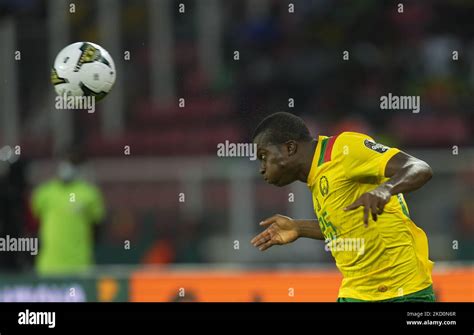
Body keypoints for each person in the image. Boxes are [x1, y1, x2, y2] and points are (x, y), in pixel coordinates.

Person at [250, 112, 435, 302]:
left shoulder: (343, 149)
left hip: (401, 291)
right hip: (355, 292)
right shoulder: (317, 175)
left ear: (290, 148)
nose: (262, 168)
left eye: (264, 156)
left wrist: (384, 190)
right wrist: (299, 228)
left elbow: (419, 168)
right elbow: (347, 226)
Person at [31, 150, 105, 275]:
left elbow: (98, 226)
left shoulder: (89, 194)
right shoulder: (44, 193)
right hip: (49, 266)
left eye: (72, 162)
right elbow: (34, 221)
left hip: (80, 266)